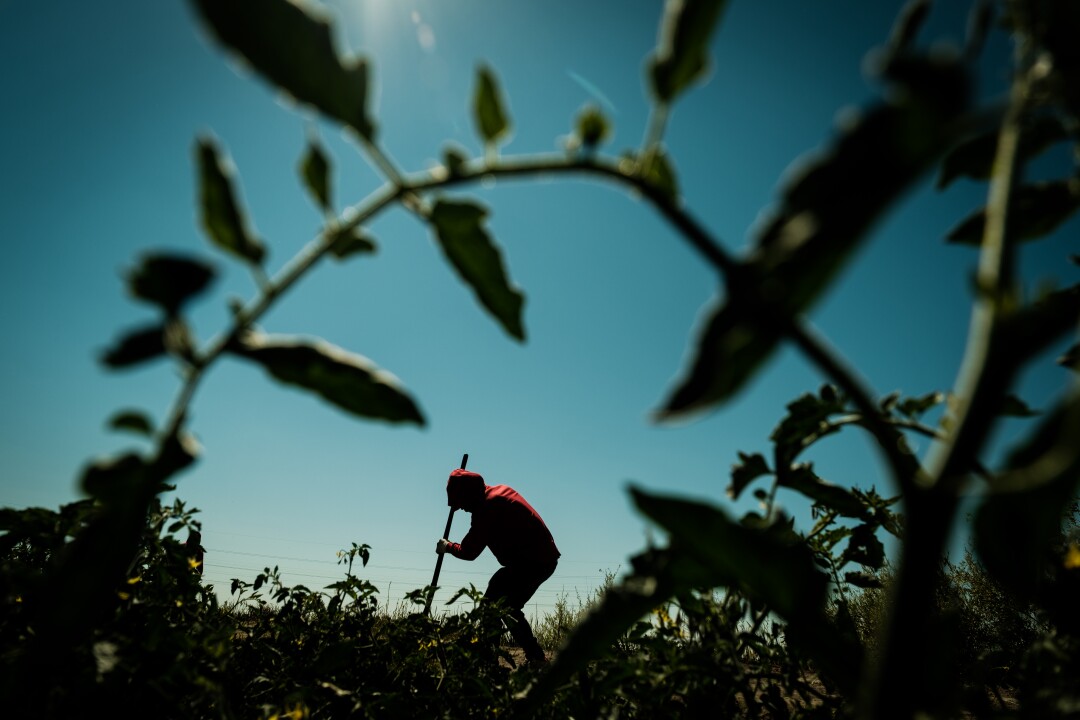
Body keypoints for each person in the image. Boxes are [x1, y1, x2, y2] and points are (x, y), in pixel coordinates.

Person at [436, 468, 560, 666]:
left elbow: (469, 552)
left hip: (534, 562)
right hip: (537, 559)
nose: (463, 509)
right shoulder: (499, 492)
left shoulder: (487, 507)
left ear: (469, 495)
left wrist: (447, 546)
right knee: (494, 600)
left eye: (462, 503)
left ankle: (525, 658)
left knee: (504, 607)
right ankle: (492, 655)